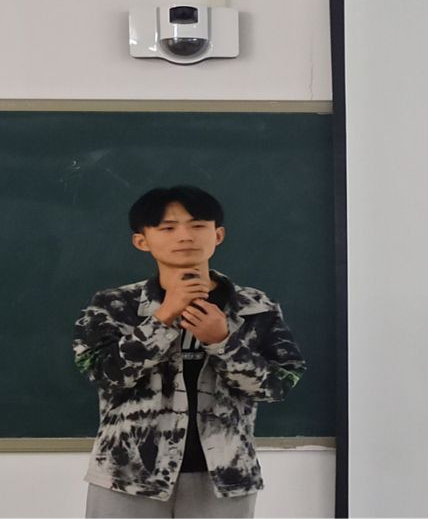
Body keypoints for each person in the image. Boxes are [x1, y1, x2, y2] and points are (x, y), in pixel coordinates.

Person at [73, 185, 305, 519]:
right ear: (142, 241)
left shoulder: (256, 306)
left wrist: (222, 341)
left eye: (197, 225)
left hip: (225, 475)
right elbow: (105, 375)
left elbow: (277, 385)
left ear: (218, 235)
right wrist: (163, 317)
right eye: (167, 228)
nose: (185, 236)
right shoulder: (112, 305)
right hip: (128, 474)